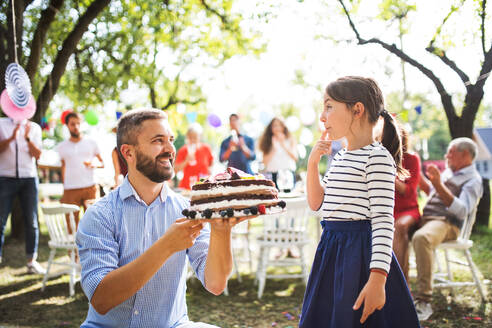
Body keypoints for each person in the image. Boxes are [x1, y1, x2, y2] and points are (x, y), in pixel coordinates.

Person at [76, 108, 245, 327]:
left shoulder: (189, 210)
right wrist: (166, 246)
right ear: (128, 152)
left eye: (171, 140)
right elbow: (101, 299)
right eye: (158, 141)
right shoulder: (100, 215)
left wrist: (222, 232)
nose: (170, 149)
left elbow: (215, 284)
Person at [300, 76, 419, 327]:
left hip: (360, 255)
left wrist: (377, 280)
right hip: (332, 250)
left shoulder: (377, 158)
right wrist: (313, 164)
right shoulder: (341, 156)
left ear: (357, 110)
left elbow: (384, 221)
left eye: (329, 106)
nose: (323, 116)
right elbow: (316, 202)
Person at [412, 137, 483, 321]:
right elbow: (433, 194)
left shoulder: (473, 180)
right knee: (395, 229)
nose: (446, 155)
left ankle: (424, 300)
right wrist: (419, 177)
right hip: (427, 218)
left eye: (451, 151)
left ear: (465, 154)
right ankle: (395, 289)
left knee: (422, 238)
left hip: (447, 223)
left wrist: (438, 184)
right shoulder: (448, 173)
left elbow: (462, 211)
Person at [0, 118, 45, 274]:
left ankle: (31, 261)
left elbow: (38, 154)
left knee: (32, 221)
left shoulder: (35, 128)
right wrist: (11, 137)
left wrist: (26, 138)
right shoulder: (1, 124)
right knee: (1, 220)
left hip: (29, 178)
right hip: (5, 177)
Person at [56, 112, 104, 229]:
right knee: (71, 226)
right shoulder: (61, 146)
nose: (76, 127)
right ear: (67, 125)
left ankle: (93, 248)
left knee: (94, 225)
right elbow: (62, 167)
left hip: (90, 187)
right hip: (70, 189)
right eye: (72, 124)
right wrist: (64, 187)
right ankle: (73, 248)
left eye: (78, 123)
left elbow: (102, 163)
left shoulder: (91, 142)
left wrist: (93, 164)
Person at [393, 125, 421, 282]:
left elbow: (409, 191)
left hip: (409, 210)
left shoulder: (412, 159)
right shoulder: (381, 157)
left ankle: (400, 282)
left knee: (400, 227)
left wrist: (392, 176)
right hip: (388, 211)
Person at [258, 117, 297, 190]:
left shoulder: (290, 139)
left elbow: (295, 157)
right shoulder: (267, 142)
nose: (277, 128)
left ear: (283, 126)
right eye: (275, 125)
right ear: (271, 128)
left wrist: (283, 144)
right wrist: (273, 149)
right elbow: (264, 162)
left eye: (280, 125)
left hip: (288, 175)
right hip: (273, 175)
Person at [174, 123, 214, 190]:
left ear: (199, 137)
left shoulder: (206, 148)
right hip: (187, 188)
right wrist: (186, 160)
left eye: (195, 137)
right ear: (187, 137)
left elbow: (211, 162)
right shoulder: (183, 150)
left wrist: (209, 172)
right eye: (190, 137)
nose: (192, 140)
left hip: (203, 186)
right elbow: (175, 170)